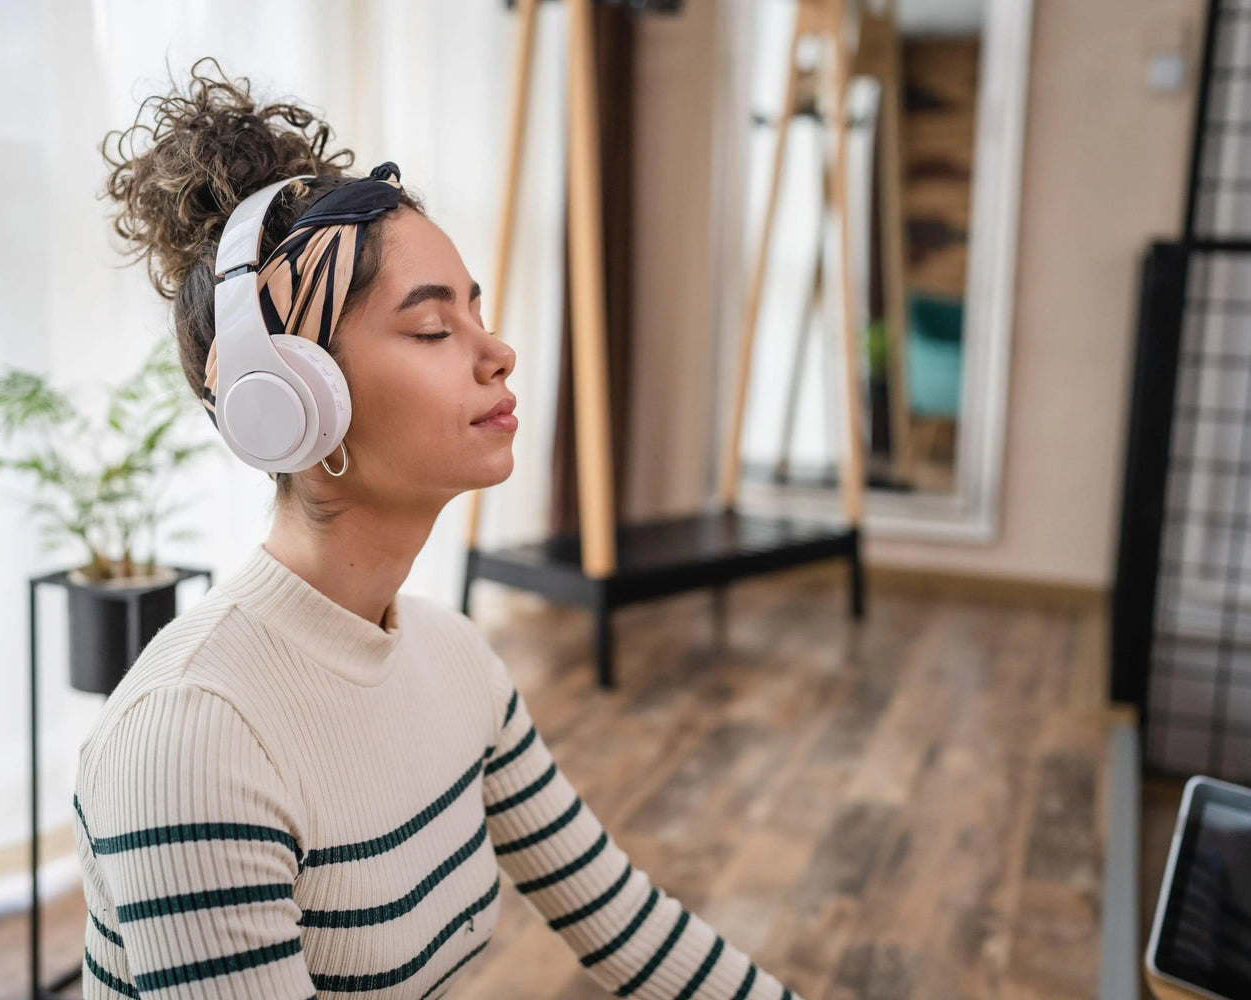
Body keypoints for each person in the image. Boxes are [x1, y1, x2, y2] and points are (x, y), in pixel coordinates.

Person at [72, 57, 800, 1000]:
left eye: (479, 313)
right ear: (289, 399)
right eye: (430, 329)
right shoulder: (194, 736)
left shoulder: (458, 663)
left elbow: (630, 926)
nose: (497, 354)